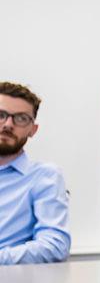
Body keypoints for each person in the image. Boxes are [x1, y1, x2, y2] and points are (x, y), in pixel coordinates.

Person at [0, 82, 70, 264]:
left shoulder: (45, 176)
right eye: (1, 115)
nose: (8, 124)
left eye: (21, 118)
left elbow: (55, 245)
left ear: (33, 130)